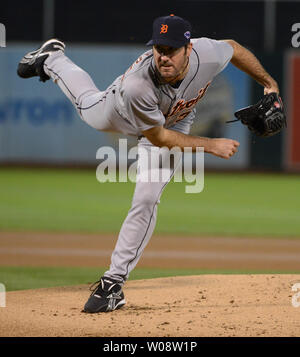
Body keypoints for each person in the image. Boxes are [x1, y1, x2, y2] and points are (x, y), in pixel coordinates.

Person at [17, 14, 279, 313]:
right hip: (122, 112)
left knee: (146, 198)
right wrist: (210, 145)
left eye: (171, 49)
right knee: (88, 105)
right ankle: (52, 59)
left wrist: (269, 84)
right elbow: (157, 137)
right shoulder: (137, 85)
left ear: (188, 48)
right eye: (159, 48)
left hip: (175, 123)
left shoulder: (207, 54)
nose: (163, 56)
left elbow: (233, 47)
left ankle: (112, 285)